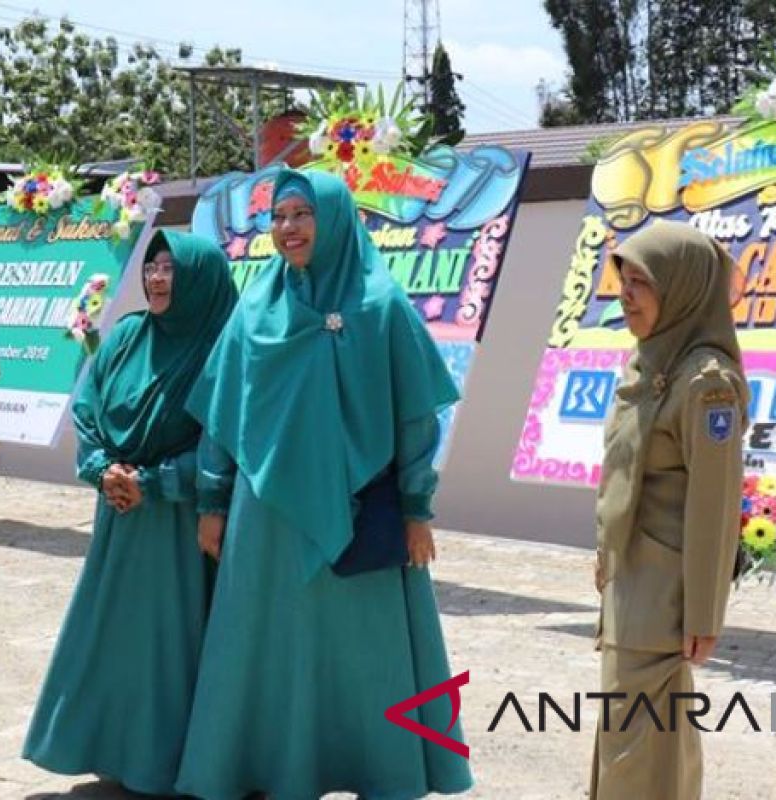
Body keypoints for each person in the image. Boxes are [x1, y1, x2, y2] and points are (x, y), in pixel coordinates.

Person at [174, 169, 474, 800]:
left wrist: (418, 508)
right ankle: (271, 768)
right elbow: (223, 414)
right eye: (278, 217)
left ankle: (379, 768)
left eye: (301, 215)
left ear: (334, 219)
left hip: (360, 511)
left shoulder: (381, 305)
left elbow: (415, 412)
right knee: (269, 645)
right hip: (266, 516)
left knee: (367, 655)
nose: (287, 229)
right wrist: (212, 499)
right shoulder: (255, 306)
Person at [22, 229, 237, 793]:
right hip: (121, 511)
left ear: (202, 279)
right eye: (152, 267)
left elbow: (229, 439)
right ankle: (116, 750)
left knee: (174, 643)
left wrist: (160, 482)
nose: (157, 278)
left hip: (183, 522)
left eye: (171, 268)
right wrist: (103, 470)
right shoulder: (126, 337)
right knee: (116, 637)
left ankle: (172, 763)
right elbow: (89, 409)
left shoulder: (225, 347)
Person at [590, 220, 748, 799]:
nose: (626, 295)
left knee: (636, 753)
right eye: (624, 281)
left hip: (664, 601)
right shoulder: (649, 363)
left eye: (642, 283)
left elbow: (714, 507)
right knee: (638, 745)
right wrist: (606, 551)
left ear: (681, 289)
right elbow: (623, 470)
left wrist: (704, 616)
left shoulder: (707, 383)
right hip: (631, 586)